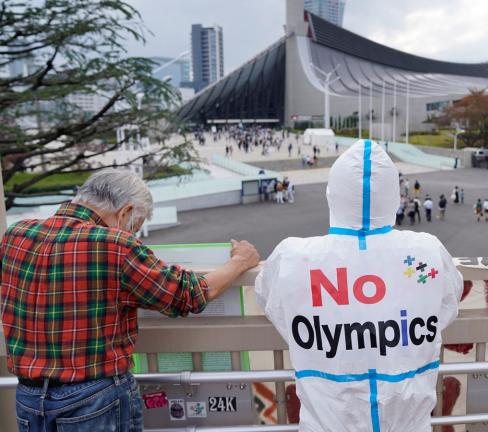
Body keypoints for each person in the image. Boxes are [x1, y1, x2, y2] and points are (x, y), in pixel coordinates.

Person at [1, 169, 261, 432]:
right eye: (134, 228)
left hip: (30, 397)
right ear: (125, 212)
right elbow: (188, 293)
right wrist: (240, 261)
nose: (133, 235)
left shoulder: (16, 235)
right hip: (94, 399)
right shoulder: (116, 246)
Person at [254, 139, 463, 432]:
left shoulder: (293, 256)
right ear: (393, 196)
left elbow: (269, 301)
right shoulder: (426, 251)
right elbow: (447, 306)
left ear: (332, 195)